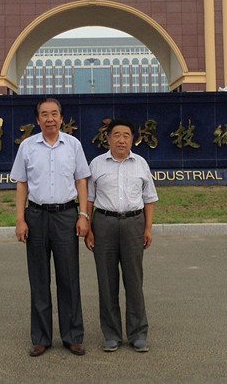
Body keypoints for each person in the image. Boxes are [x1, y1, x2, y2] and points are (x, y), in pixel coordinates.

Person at [11, 97, 91, 357]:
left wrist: (83, 215)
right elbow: (21, 184)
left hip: (66, 216)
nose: (50, 119)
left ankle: (73, 336)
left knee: (69, 278)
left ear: (61, 118)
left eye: (54, 114)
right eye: (44, 114)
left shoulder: (73, 145)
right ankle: (41, 337)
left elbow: (81, 181)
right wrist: (20, 219)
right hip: (36, 216)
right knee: (39, 279)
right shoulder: (27, 147)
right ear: (37, 120)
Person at [85, 118, 158, 353]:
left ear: (133, 139)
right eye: (116, 135)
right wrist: (88, 229)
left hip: (133, 223)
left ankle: (138, 333)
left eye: (126, 135)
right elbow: (89, 199)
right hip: (104, 223)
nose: (121, 140)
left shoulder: (141, 164)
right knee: (107, 281)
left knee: (134, 280)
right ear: (108, 138)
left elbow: (149, 199)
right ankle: (112, 334)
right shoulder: (97, 164)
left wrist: (148, 228)